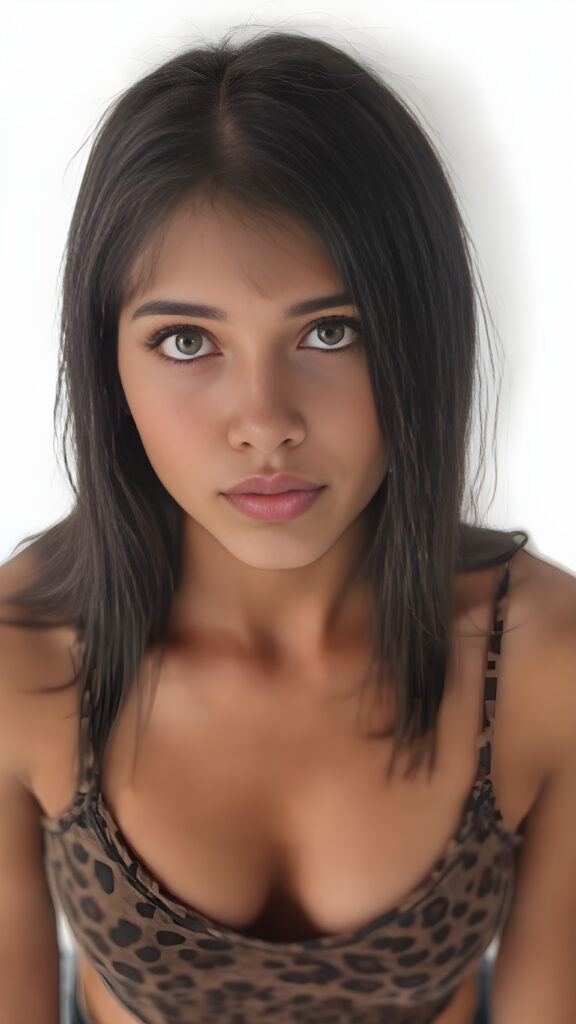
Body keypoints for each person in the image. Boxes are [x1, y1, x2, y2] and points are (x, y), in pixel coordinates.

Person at [0, 23, 575, 1024]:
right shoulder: (22, 655)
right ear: (108, 365)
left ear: (420, 339)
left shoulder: (545, 659)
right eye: (186, 339)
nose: (265, 421)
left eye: (329, 331)